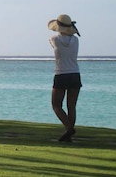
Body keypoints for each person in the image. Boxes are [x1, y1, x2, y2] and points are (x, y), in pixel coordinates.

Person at [48, 14, 82, 142]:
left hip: (61, 74)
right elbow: (73, 35)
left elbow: (54, 43)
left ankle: (69, 129)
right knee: (71, 106)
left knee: (56, 105)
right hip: (75, 73)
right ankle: (69, 134)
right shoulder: (76, 40)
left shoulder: (54, 39)